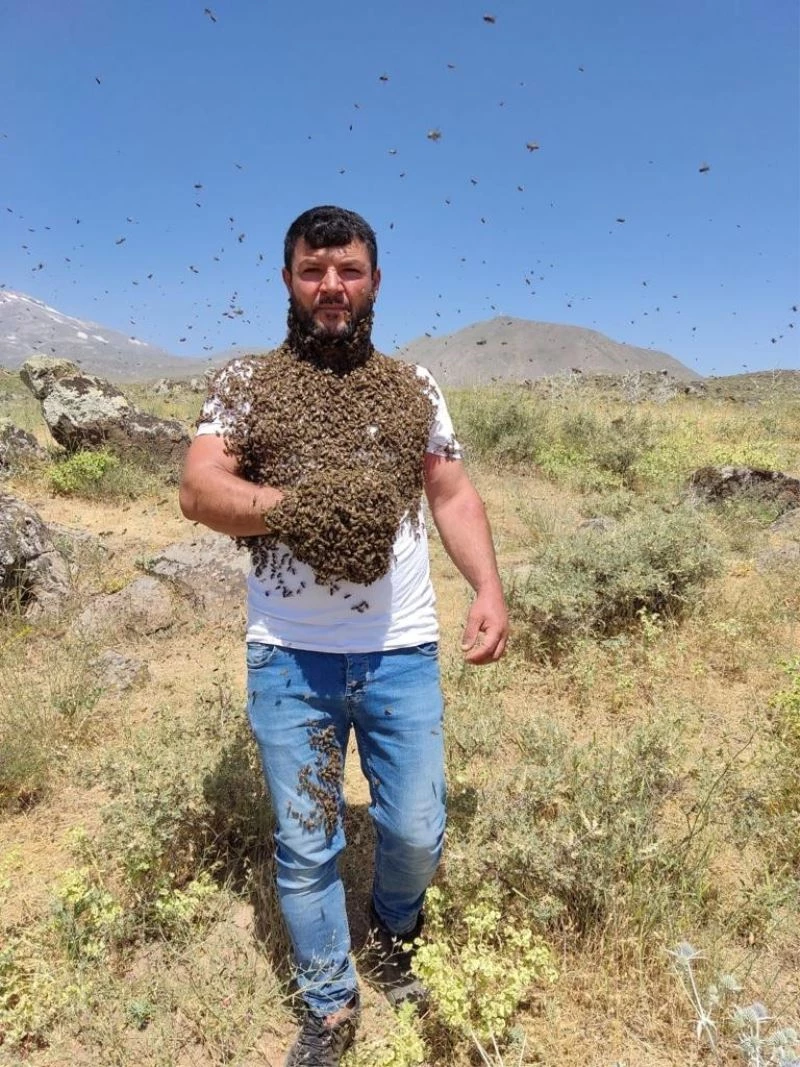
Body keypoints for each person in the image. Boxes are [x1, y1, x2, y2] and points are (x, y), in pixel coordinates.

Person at [179, 205, 508, 1066]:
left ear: (374, 279)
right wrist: (298, 508)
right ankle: (328, 1003)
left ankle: (396, 931)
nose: (332, 287)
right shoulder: (244, 384)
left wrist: (488, 586)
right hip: (288, 654)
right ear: (288, 279)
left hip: (401, 647)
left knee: (415, 828)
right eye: (313, 271)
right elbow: (200, 487)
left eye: (349, 271)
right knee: (304, 841)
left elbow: (452, 496)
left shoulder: (415, 387)